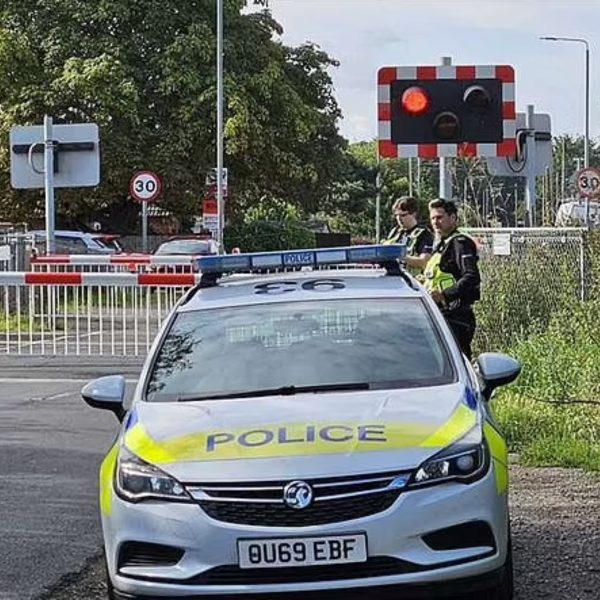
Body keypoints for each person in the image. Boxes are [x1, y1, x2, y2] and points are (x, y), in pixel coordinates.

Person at [424, 199, 481, 360]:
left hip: (457, 316)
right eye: (433, 218)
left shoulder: (459, 242)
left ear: (453, 218)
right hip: (442, 313)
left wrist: (444, 295)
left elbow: (472, 276)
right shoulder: (442, 244)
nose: (435, 222)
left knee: (458, 362)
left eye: (440, 217)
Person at [384, 196, 433, 274]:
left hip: (413, 281)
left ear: (413, 214)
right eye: (396, 215)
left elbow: (424, 262)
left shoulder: (423, 234)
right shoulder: (395, 232)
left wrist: (400, 256)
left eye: (403, 215)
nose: (399, 219)